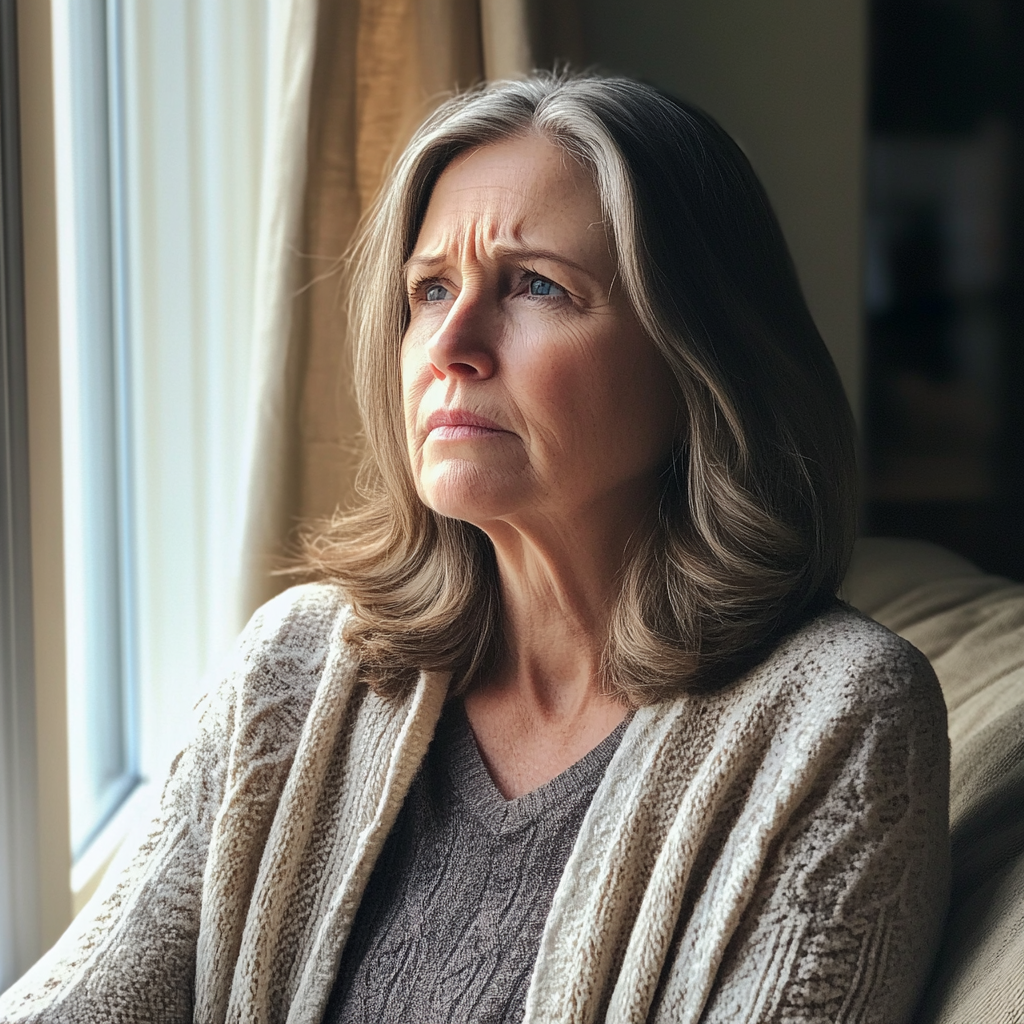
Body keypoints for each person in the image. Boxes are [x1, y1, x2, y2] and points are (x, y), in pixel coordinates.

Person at [0, 73, 949, 1024]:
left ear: (699, 356)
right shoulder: (294, 664)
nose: (451, 343)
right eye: (430, 289)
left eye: (537, 285)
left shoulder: (839, 716)